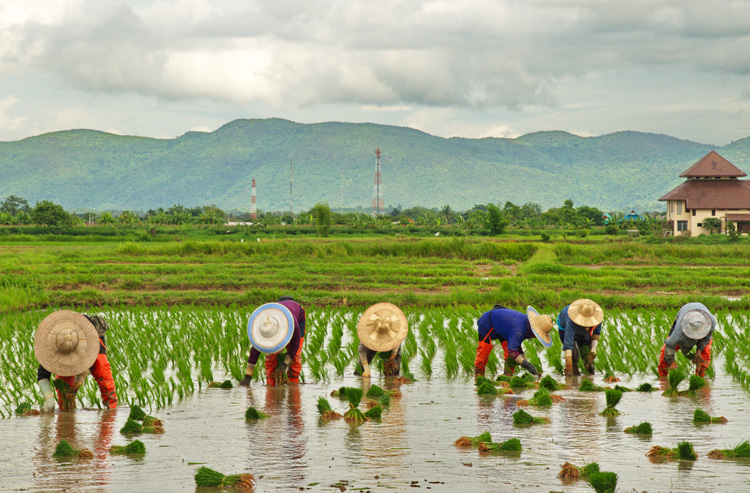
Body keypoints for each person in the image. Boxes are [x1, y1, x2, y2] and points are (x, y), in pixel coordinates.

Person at [34, 310, 118, 412]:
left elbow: (91, 363)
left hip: (89, 336)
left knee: (103, 373)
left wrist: (78, 382)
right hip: (63, 337)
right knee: (63, 390)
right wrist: (49, 400)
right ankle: (66, 413)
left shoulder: (91, 336)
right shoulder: (49, 347)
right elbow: (43, 375)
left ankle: (112, 410)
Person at [240, 296, 306, 386]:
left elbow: (295, 345)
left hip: (298, 318)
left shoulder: (293, 323)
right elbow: (255, 351)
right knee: (271, 358)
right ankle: (270, 386)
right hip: (276, 315)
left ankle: (293, 387)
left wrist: (284, 364)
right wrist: (248, 376)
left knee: (295, 358)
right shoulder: (265, 324)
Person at [474, 305, 553, 378]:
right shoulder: (519, 330)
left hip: (504, 327)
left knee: (510, 358)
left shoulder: (526, 326)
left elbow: (516, 346)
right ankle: (479, 380)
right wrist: (526, 365)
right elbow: (512, 351)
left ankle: (507, 379)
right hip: (488, 323)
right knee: (482, 357)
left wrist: (524, 360)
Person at [658, 302, 716, 377]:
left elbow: (706, 339)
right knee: (664, 353)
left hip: (702, 318)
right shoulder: (680, 328)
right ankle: (663, 377)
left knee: (705, 355)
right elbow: (669, 346)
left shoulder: (711, 322)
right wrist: (672, 362)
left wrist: (699, 350)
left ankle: (701, 377)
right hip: (684, 314)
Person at [354, 302, 408, 377]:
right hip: (372, 342)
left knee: (393, 367)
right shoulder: (368, 334)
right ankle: (359, 375)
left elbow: (396, 345)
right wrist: (366, 369)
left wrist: (391, 359)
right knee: (360, 370)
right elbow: (362, 350)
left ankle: (392, 378)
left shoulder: (396, 333)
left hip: (391, 342)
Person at [557, 299, 604, 376]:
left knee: (587, 355)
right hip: (564, 327)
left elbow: (596, 334)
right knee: (574, 355)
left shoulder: (597, 319)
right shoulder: (571, 321)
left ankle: (590, 375)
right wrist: (568, 365)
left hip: (584, 332)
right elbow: (568, 343)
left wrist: (593, 348)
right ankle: (574, 375)